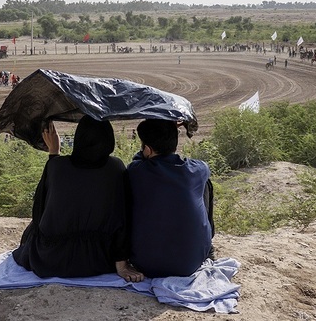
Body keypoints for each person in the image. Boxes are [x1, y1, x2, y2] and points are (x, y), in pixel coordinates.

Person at [12, 116, 143, 282]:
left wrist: (54, 153)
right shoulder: (115, 168)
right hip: (100, 260)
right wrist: (122, 264)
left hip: (52, 260)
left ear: (79, 139)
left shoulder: (58, 167)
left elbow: (39, 212)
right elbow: (123, 219)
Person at [127, 119, 214, 278]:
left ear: (147, 149)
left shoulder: (136, 171)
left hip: (146, 263)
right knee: (205, 185)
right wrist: (169, 132)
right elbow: (203, 167)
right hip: (190, 263)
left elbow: (138, 159)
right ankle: (210, 248)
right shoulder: (197, 170)